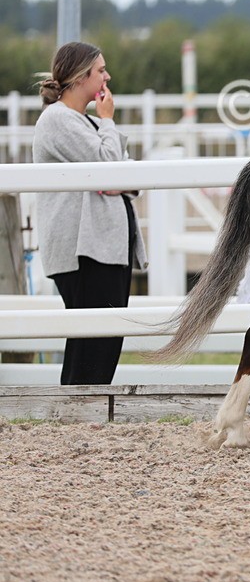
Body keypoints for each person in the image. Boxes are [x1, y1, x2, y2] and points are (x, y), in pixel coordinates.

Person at [33, 42, 147, 385]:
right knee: (94, 338)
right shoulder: (58, 120)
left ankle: (82, 409)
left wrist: (114, 176)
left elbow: (122, 176)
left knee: (104, 337)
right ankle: (79, 410)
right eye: (100, 70)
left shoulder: (79, 122)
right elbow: (110, 167)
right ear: (82, 76)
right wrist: (108, 122)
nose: (107, 76)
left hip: (101, 246)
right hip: (84, 249)